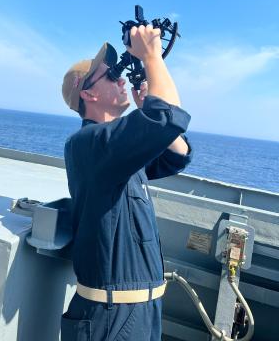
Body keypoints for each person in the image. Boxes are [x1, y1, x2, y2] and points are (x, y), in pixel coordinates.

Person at [61, 24, 192, 340]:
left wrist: (148, 104)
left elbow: (177, 153)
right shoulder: (87, 145)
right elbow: (168, 117)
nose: (121, 79)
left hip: (141, 312)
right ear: (88, 93)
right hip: (110, 318)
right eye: (110, 75)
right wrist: (151, 57)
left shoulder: (115, 151)